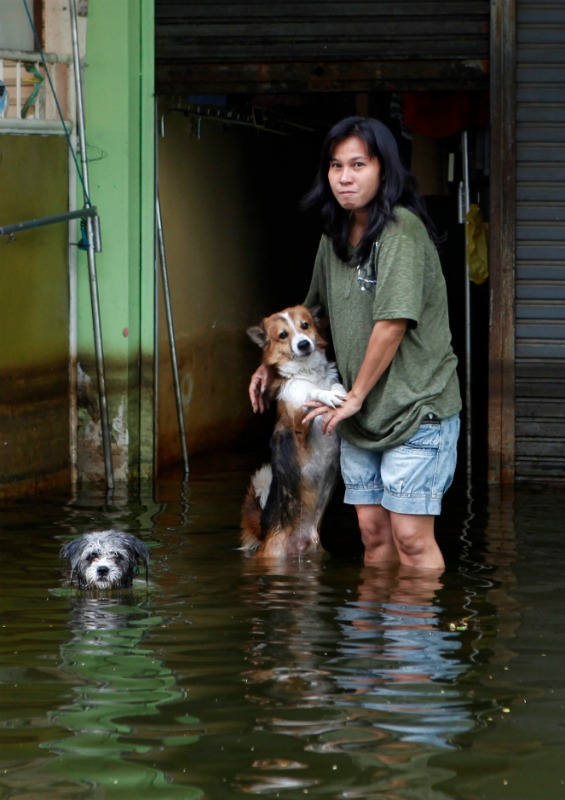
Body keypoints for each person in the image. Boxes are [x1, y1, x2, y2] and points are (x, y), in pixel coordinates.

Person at [249, 116, 461, 570]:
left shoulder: (401, 231)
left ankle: (411, 641)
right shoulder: (335, 235)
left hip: (414, 407)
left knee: (411, 539)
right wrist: (270, 363)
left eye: (358, 164)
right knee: (373, 535)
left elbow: (392, 324)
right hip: (359, 416)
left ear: (385, 169)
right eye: (335, 166)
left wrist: (354, 396)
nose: (344, 177)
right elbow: (307, 311)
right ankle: (374, 641)